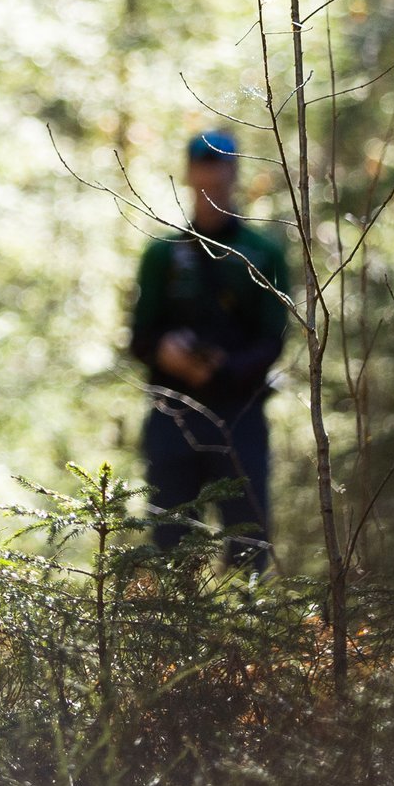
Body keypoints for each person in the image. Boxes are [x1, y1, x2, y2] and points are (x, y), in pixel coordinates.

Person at [128, 130, 292, 567]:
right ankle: (174, 634)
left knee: (248, 543)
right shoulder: (161, 254)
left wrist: (223, 369)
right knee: (171, 542)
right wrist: (168, 352)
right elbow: (139, 337)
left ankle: (248, 627)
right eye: (202, 163)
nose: (211, 174)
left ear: (235, 172)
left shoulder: (263, 253)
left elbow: (274, 339)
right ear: (188, 172)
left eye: (220, 164)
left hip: (241, 418)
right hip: (172, 416)